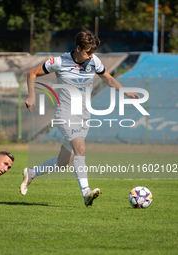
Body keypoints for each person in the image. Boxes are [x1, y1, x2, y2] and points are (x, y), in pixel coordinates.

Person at [20, 29, 140, 206]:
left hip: (84, 116)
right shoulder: (60, 61)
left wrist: (125, 91)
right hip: (65, 115)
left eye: (93, 52)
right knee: (80, 148)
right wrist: (32, 96)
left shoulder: (94, 61)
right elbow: (32, 73)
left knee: (63, 163)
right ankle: (86, 193)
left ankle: (31, 173)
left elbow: (108, 78)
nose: (91, 56)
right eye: (88, 52)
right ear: (78, 48)